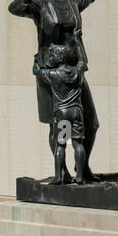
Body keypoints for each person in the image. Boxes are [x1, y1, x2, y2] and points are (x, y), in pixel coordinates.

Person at [8, 0, 118, 176]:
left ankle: (83, 168)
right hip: (50, 71)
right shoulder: (39, 3)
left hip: (74, 70)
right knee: (57, 125)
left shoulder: (72, 1)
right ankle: (62, 174)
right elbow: (14, 8)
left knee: (90, 123)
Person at [33, 45, 90, 185]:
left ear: (60, 57)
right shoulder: (78, 71)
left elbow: (36, 71)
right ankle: (80, 176)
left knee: (61, 145)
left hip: (63, 113)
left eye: (53, 56)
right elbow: (83, 60)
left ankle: (59, 177)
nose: (51, 58)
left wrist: (36, 60)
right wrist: (77, 40)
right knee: (78, 144)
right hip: (77, 112)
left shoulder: (53, 74)